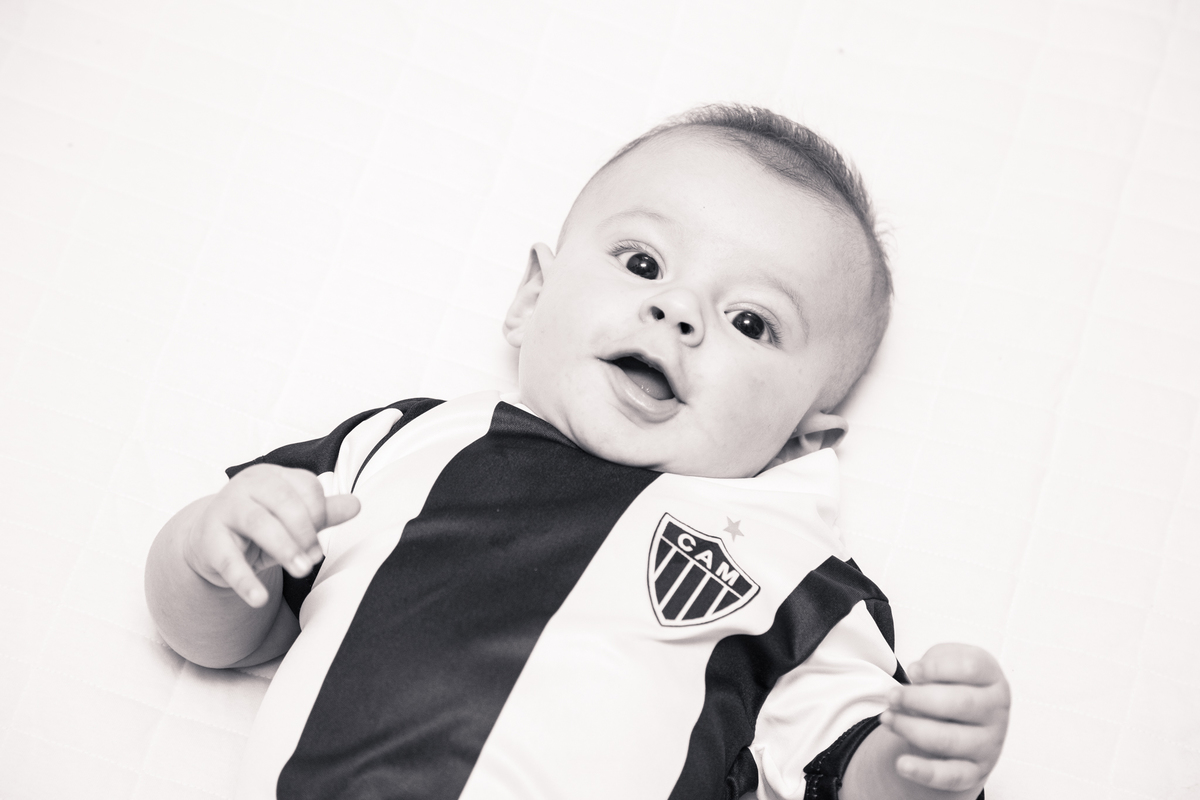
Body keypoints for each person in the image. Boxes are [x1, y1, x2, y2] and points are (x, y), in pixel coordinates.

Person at [145, 105, 1009, 800]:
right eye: (642, 262)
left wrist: (917, 762)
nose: (678, 313)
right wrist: (208, 556)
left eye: (751, 321)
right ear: (532, 298)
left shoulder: (796, 578)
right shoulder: (408, 444)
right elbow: (226, 636)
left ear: (798, 440)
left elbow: (843, 777)